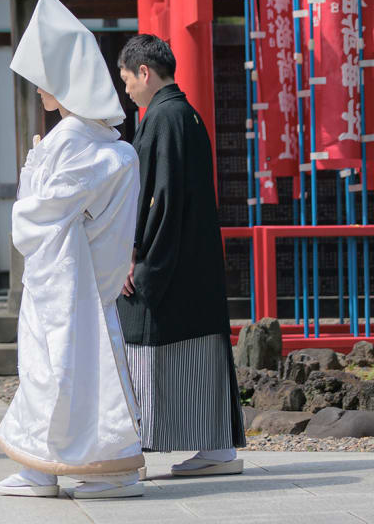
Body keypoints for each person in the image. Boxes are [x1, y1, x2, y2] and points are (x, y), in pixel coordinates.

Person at [0, 0, 144, 500]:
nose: (39, 90)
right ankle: (52, 464)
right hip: (79, 275)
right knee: (69, 369)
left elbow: (39, 212)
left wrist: (30, 183)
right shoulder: (105, 141)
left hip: (66, 278)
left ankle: (98, 468)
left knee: (56, 368)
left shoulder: (73, 140)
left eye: (44, 80)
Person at [116, 35, 245, 476]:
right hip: (193, 260)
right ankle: (217, 447)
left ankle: (130, 448)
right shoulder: (185, 114)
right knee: (199, 348)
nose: (127, 88)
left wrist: (135, 255)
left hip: (166, 258)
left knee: (140, 337)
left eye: (127, 78)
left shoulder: (164, 117)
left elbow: (159, 198)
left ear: (145, 72)